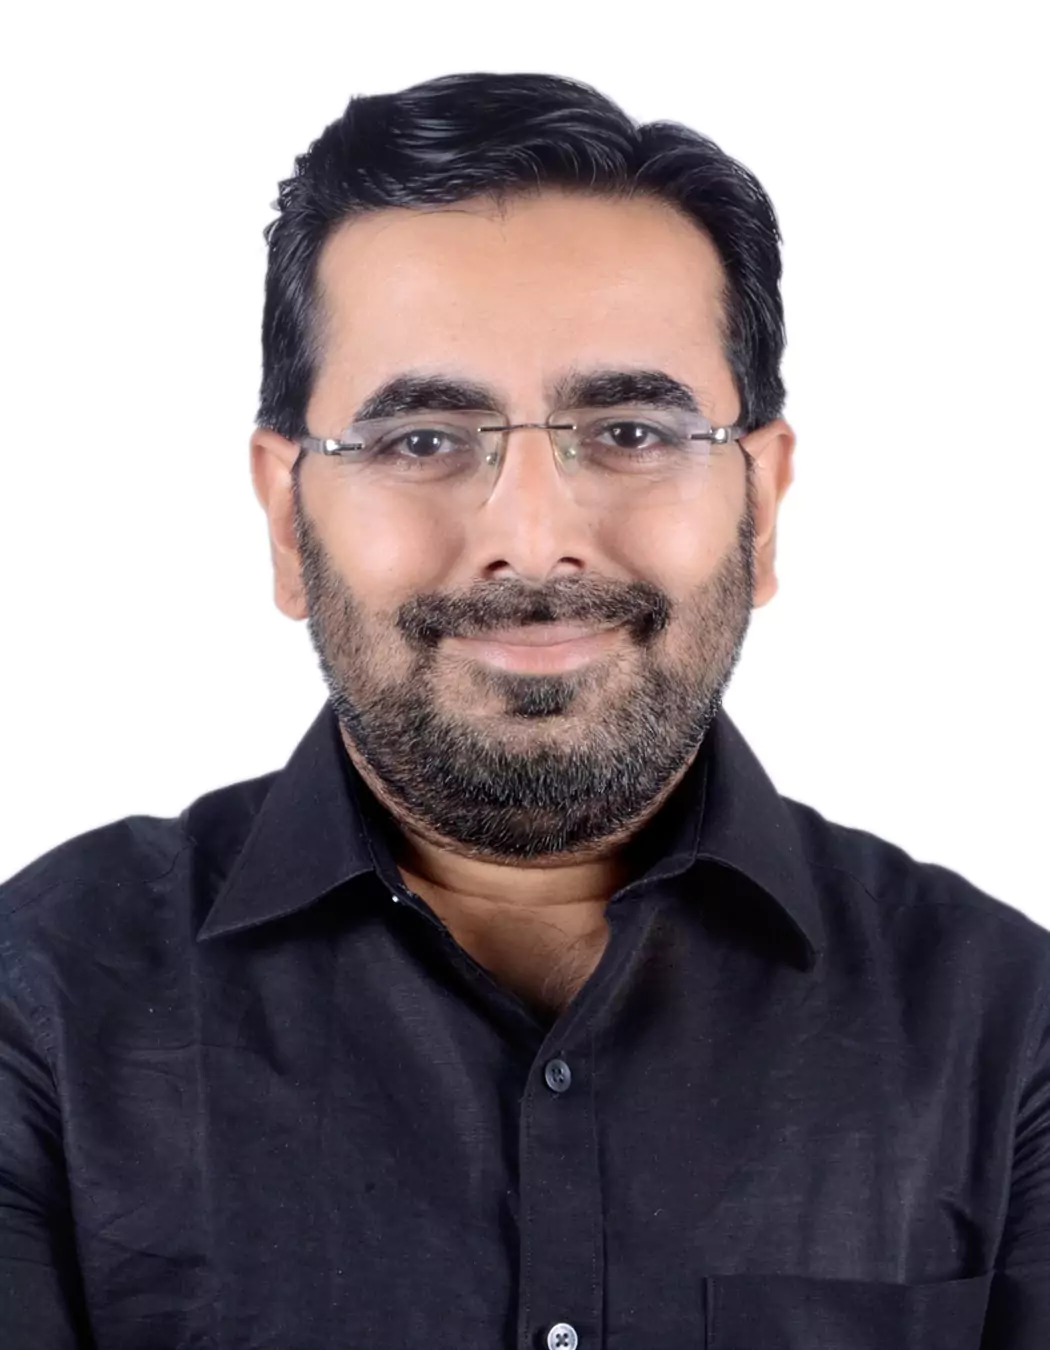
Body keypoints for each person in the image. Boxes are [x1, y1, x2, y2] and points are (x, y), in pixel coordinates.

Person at [0, 71, 1046, 1350]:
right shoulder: (40, 1005)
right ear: (286, 517)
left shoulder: (1008, 1030)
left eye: (631, 431)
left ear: (762, 503)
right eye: (423, 440)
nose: (534, 537)